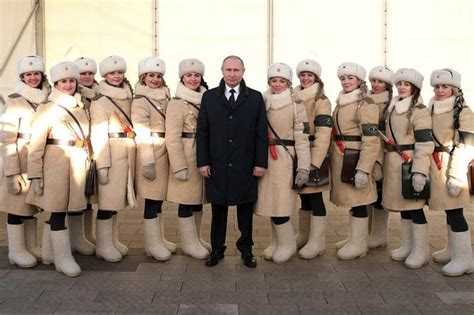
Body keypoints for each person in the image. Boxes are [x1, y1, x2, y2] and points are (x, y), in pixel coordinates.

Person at [196, 55, 268, 268]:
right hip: (217, 163)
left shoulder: (255, 98)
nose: (232, 74)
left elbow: (260, 133)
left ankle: (246, 250)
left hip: (245, 163)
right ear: (222, 71)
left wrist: (260, 163)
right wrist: (203, 162)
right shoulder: (209, 97)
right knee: (219, 209)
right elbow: (203, 132)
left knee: (245, 208)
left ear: (243, 71)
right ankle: (217, 249)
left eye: (236, 70)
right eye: (228, 70)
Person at [27, 61, 89, 277]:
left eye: (72, 80)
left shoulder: (80, 107)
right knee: (57, 211)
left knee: (67, 209)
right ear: (55, 83)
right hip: (54, 167)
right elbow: (36, 145)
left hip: (76, 165)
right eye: (64, 81)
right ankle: (62, 259)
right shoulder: (47, 108)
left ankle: (50, 253)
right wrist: (35, 174)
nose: (69, 85)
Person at [255, 62, 310, 264]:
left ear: (288, 83)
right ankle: (276, 242)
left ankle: (287, 244)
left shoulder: (296, 104)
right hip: (266, 158)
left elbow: (302, 137)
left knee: (282, 203)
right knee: (270, 202)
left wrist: (304, 166)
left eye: (282, 81)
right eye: (274, 81)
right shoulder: (261, 100)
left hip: (286, 158)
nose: (277, 84)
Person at [1, 55, 50, 267]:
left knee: (31, 205)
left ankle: (31, 245)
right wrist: (11, 172)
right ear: (22, 76)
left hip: (37, 158)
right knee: (16, 206)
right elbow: (7, 137)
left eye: (36, 74)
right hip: (20, 158)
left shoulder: (46, 99)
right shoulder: (14, 100)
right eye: (28, 74)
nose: (32, 78)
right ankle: (16, 249)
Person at [382, 68, 434, 269]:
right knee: (404, 206)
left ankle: (420, 251)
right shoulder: (393, 106)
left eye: (406, 84)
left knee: (415, 207)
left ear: (414, 87)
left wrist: (419, 171)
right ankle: (407, 246)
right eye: (399, 84)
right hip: (393, 163)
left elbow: (424, 143)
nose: (402, 87)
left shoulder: (420, 110)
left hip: (409, 162)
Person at [330, 62, 380, 260]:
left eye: (350, 78)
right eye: (343, 78)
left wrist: (364, 168)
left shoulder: (366, 104)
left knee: (359, 201)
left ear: (359, 80)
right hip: (342, 156)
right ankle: (354, 238)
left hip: (355, 157)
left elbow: (371, 140)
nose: (346, 82)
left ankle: (359, 244)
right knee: (352, 200)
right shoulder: (342, 101)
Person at [428, 68, 474, 276]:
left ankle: (465, 258)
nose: (440, 90)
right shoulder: (432, 107)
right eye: (437, 86)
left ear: (454, 88)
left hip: (453, 165)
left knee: (455, 211)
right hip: (436, 164)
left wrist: (455, 174)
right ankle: (452, 249)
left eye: (445, 86)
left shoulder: (463, 111)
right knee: (449, 209)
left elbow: (467, 145)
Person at [90, 56, 136, 262]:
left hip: (126, 152)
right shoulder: (101, 101)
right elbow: (98, 134)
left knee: (117, 200)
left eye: (119, 73)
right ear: (105, 76)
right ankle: (103, 245)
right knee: (107, 202)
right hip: (111, 153)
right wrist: (103, 164)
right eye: (112, 73)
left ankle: (112, 240)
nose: (117, 76)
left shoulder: (128, 96)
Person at [165, 58, 210, 260]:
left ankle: (197, 239)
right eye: (189, 75)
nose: (193, 79)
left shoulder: (207, 99)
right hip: (186, 154)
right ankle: (189, 244)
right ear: (182, 78)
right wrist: (179, 166)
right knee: (185, 200)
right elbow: (172, 137)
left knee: (198, 198)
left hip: (203, 154)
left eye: (197, 75)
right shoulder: (176, 103)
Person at [132, 56, 175, 261]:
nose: (155, 79)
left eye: (158, 76)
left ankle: (159, 239)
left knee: (159, 200)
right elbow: (141, 131)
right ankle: (152, 243)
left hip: (165, 150)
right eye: (151, 75)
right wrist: (147, 161)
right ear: (143, 77)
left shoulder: (165, 97)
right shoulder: (141, 100)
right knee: (151, 200)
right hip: (153, 151)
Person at [292, 59, 331, 259]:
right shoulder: (293, 96)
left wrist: (315, 161)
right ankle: (304, 235)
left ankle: (317, 242)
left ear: (316, 78)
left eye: (310, 75)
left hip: (314, 152)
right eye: (302, 75)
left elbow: (324, 134)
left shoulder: (321, 100)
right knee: (304, 195)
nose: (305, 78)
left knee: (315, 197)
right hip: (298, 152)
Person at [366, 66, 395, 249]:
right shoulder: (365, 100)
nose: (376, 85)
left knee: (379, 192)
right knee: (365, 192)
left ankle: (378, 234)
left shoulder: (391, 103)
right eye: (374, 81)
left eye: (380, 81)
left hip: (383, 153)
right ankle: (364, 233)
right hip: (366, 150)